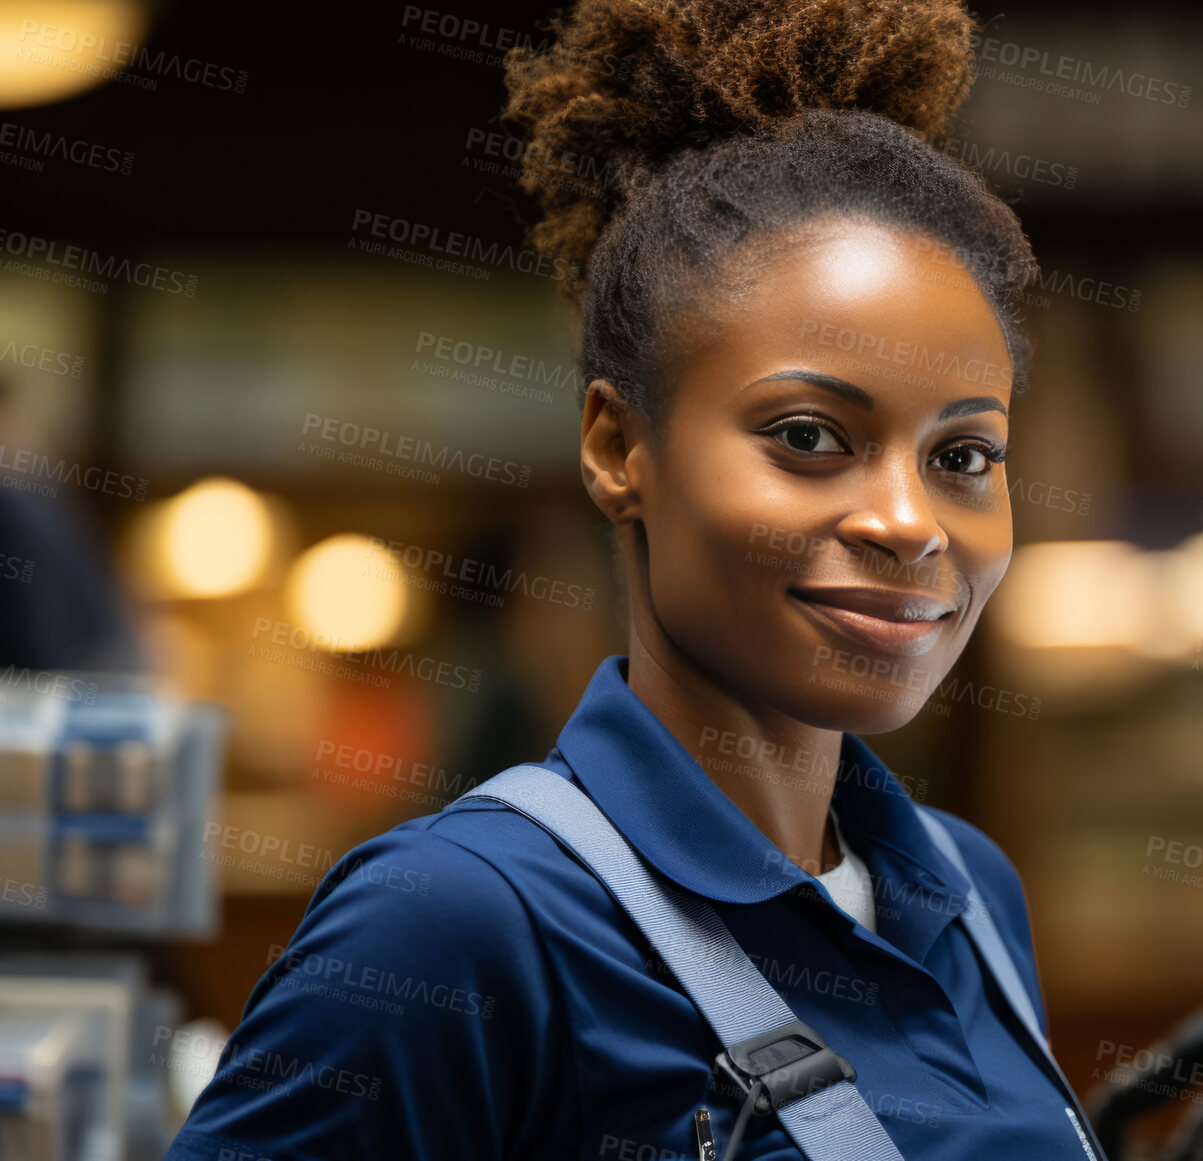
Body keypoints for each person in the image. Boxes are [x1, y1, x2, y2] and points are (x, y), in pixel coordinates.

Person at [162, 0, 1095, 1156]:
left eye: (962, 457)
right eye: (807, 437)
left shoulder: (968, 893)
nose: (910, 524)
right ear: (617, 447)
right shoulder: (457, 925)